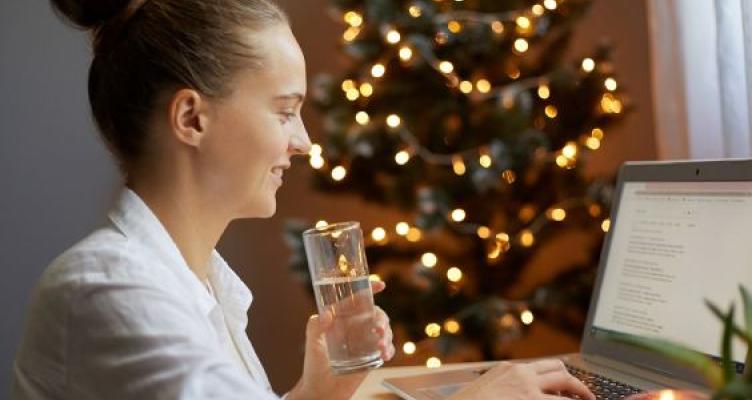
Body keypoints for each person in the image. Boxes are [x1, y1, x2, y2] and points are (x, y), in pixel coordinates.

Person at [12, 0, 596, 399]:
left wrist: (317, 392)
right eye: (285, 111)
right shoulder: (109, 291)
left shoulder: (200, 283)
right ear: (192, 117)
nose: (304, 142)